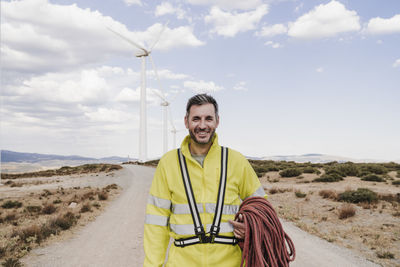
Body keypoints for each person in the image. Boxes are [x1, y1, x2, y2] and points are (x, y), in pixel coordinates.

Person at [143, 93, 266, 266]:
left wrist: (252, 228)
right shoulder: (168, 163)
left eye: (208, 118)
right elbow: (156, 222)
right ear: (186, 122)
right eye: (196, 119)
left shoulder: (236, 160)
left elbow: (262, 208)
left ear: (217, 121)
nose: (202, 125)